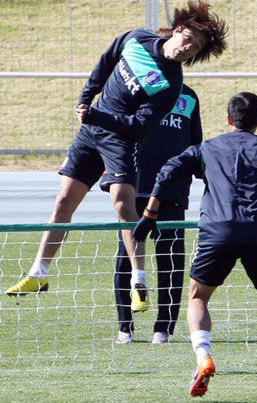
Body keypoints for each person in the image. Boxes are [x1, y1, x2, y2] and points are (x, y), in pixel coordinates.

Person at [6, 0, 228, 314]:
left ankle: (139, 282)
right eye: (189, 38)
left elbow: (140, 126)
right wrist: (86, 98)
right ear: (178, 30)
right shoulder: (136, 39)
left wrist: (96, 117)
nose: (189, 47)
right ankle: (38, 273)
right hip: (90, 133)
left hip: (119, 141)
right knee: (63, 201)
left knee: (124, 206)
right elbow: (106, 61)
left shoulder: (170, 85)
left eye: (196, 48)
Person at [132, 92, 257, 400]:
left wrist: (150, 212)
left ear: (229, 119)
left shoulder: (207, 148)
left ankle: (203, 357)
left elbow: (167, 171)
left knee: (198, 297)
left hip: (216, 232)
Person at [100, 82, 202, 344]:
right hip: (134, 186)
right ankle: (125, 326)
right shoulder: (133, 90)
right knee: (127, 259)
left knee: (171, 261)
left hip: (173, 191)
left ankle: (164, 327)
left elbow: (195, 144)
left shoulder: (189, 96)